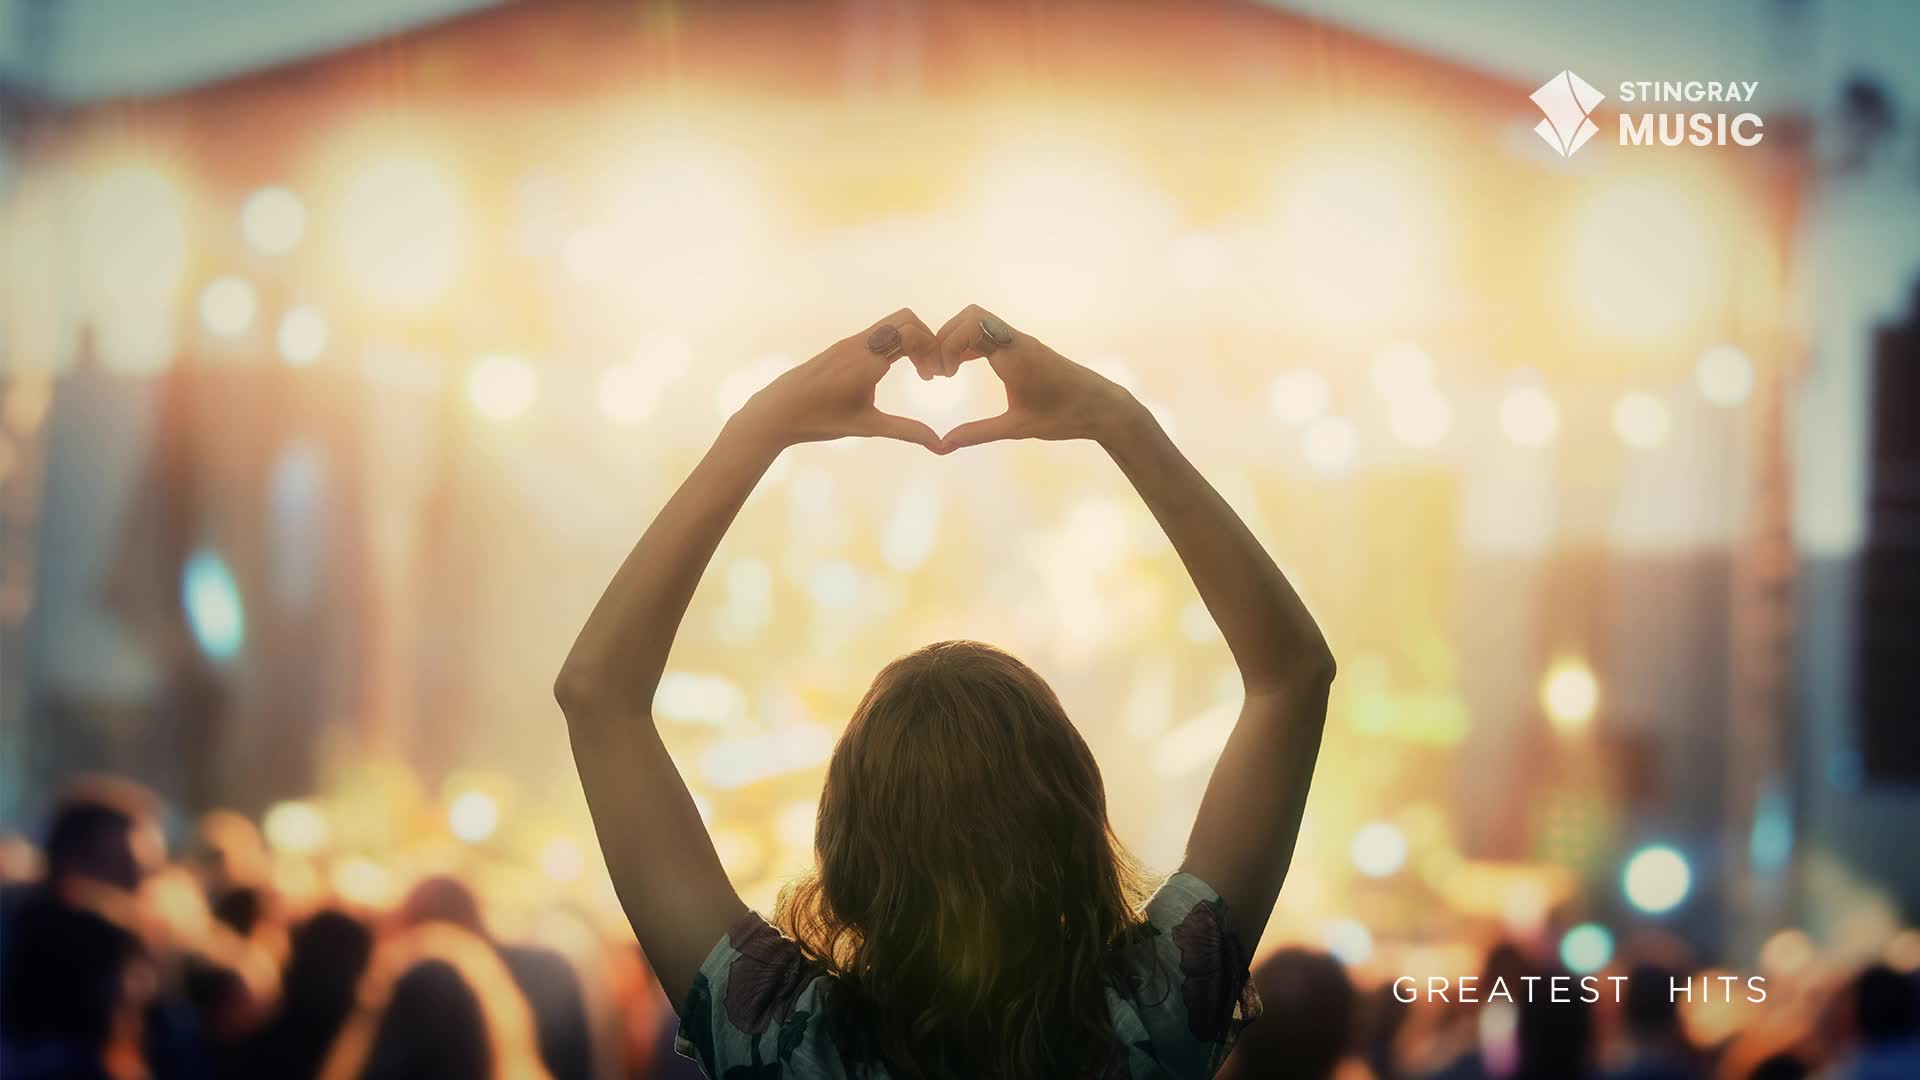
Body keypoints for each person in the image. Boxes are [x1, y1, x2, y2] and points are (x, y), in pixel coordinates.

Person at [557, 306, 1336, 1079]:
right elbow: (1293, 678)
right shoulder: (1154, 1017)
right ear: (1074, 823)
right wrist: (1116, 419)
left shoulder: (780, 1039)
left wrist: (760, 426)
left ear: (847, 846)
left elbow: (598, 694)